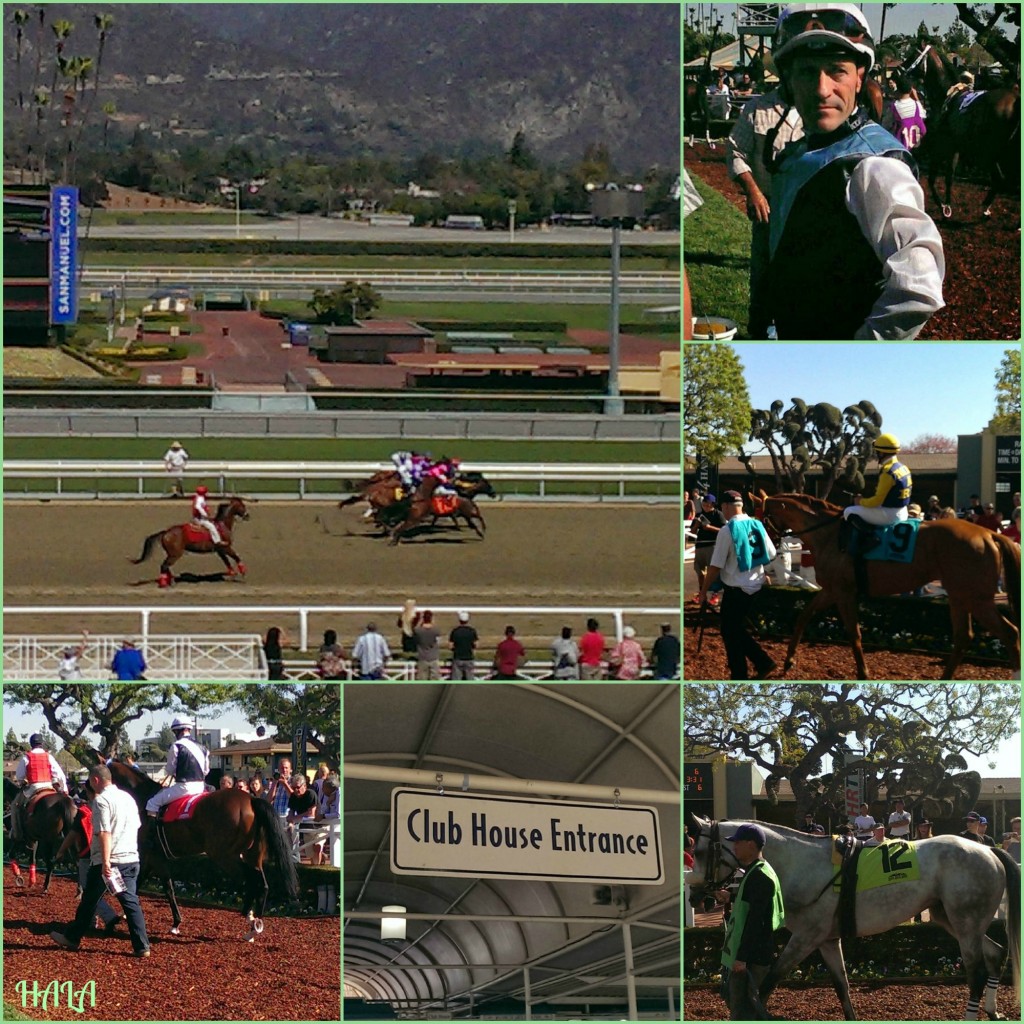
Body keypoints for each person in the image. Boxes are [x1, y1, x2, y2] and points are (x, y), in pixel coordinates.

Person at [764, 3, 944, 339]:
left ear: (860, 78)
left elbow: (919, 289)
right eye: (806, 72)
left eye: (836, 71)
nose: (821, 89)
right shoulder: (804, 149)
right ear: (787, 82)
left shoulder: (874, 166)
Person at [727, 79, 805, 337]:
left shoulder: (819, 110)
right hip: (768, 211)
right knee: (763, 278)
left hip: (806, 211)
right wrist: (753, 192)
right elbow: (736, 152)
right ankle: (760, 331)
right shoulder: (758, 108)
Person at [50, 764, 151, 958]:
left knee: (89, 900)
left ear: (96, 780)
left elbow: (104, 832)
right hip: (130, 857)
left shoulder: (101, 801)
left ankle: (72, 938)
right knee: (130, 901)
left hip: (109, 860)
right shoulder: (128, 798)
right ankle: (141, 945)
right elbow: (137, 826)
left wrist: (105, 862)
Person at [698, 490, 777, 680]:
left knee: (730, 632)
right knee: (734, 630)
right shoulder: (757, 524)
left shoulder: (727, 530)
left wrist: (703, 590)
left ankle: (749, 668)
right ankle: (758, 664)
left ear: (725, 506)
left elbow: (715, 566)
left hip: (736, 588)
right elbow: (771, 553)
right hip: (755, 585)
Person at [719, 823, 785, 1021]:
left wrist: (741, 958)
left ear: (750, 844)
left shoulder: (759, 876)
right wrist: (729, 897)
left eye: (737, 843)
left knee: (744, 1012)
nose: (734, 847)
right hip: (754, 954)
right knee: (746, 1009)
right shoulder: (758, 870)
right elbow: (753, 903)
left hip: (751, 958)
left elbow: (755, 921)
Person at [54, 782, 123, 934]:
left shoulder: (85, 811)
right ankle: (92, 921)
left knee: (88, 889)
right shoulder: (114, 805)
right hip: (114, 852)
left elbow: (73, 834)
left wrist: (61, 850)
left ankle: (108, 916)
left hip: (88, 854)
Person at [842, 434, 912, 551]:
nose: (876, 454)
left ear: (881, 453)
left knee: (849, 511)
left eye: (877, 452)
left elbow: (876, 501)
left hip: (890, 515)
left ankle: (871, 537)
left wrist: (860, 501)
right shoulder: (903, 467)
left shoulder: (887, 471)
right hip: (903, 510)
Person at [145, 716, 210, 818]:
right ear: (188, 729)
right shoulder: (203, 747)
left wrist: (177, 773)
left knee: (152, 803)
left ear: (177, 731)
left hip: (183, 788)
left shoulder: (176, 745)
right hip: (201, 787)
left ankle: (153, 833)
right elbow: (206, 771)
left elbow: (170, 770)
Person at [10, 733, 69, 844]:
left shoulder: (26, 757)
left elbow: (20, 776)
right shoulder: (49, 756)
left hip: (34, 787)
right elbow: (60, 775)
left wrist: (23, 781)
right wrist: (64, 788)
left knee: (14, 806)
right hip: (49, 786)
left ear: (31, 744)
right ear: (42, 744)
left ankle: (17, 834)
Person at [692, 494, 727, 602]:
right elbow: (692, 532)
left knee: (713, 571)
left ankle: (714, 594)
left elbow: (723, 530)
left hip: (713, 545)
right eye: (704, 504)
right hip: (700, 545)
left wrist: (709, 528)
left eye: (708, 505)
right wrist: (697, 524)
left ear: (713, 504)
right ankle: (701, 592)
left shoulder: (718, 514)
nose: (706, 506)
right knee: (700, 571)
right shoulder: (699, 514)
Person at [882, 75, 927, 151]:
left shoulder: (894, 106)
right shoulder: (916, 105)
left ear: (898, 90)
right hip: (916, 147)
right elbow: (923, 117)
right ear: (910, 90)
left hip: (901, 148)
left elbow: (885, 125)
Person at [286, 772, 318, 856]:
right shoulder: (293, 796)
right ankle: (293, 859)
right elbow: (291, 812)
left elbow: (311, 813)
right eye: (293, 787)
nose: (296, 790)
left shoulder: (310, 794)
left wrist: (294, 818)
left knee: (314, 851)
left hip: (317, 825)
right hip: (303, 826)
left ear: (304, 786)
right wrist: (290, 821)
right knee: (309, 853)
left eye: (298, 787)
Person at [449, 611, 478, 680]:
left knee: (456, 680)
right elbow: (476, 644)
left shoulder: (455, 631)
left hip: (458, 658)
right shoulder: (472, 631)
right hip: (469, 657)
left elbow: (450, 646)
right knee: (470, 679)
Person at [413, 610, 442, 679]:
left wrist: (420, 622)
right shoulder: (436, 630)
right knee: (435, 680)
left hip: (422, 658)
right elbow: (439, 642)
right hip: (434, 658)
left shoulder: (418, 631)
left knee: (422, 681)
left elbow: (415, 631)